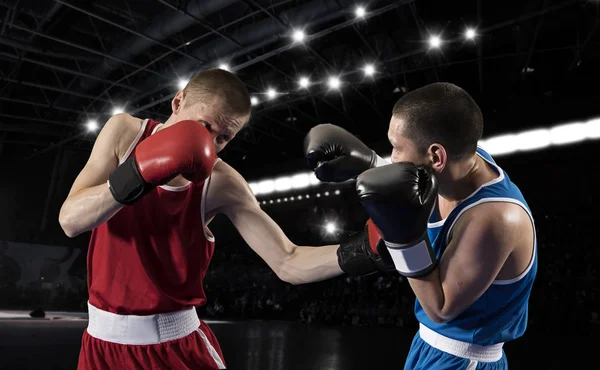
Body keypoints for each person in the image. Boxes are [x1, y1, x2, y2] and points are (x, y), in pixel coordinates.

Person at [59, 68, 390, 370]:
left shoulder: (222, 183)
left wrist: (362, 250)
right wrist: (138, 173)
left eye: (223, 138)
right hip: (100, 347)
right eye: (204, 127)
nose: (210, 144)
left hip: (175, 350)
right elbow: (70, 220)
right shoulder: (124, 134)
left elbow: (287, 260)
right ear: (178, 102)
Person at [304, 82, 537, 369]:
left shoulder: (494, 218)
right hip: (427, 345)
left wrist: (403, 241)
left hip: (462, 359)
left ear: (437, 156)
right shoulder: (461, 162)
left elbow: (440, 308)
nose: (392, 157)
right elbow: (419, 177)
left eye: (396, 147)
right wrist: (369, 163)